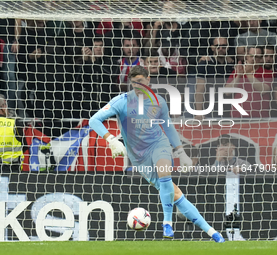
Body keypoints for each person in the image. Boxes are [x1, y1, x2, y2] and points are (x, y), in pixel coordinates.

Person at [89, 65, 225, 242]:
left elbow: (167, 126)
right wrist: (111, 139)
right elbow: (94, 120)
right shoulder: (122, 101)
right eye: (134, 83)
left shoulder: (158, 101)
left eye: (141, 81)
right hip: (139, 157)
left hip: (159, 144)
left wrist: (181, 152)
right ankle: (213, 233)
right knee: (175, 195)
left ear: (148, 80)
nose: (138, 86)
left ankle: (167, 222)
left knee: (164, 174)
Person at [212, 135, 249, 241]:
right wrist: (217, 160)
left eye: (225, 145)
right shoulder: (216, 163)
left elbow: (251, 170)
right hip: (220, 201)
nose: (223, 148)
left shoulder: (241, 162)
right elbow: (209, 177)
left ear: (233, 147)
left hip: (239, 199)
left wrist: (241, 169)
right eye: (220, 146)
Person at [225, 46, 275, 118]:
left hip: (260, 118)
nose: (253, 59)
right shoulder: (237, 71)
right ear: (246, 56)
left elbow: (264, 90)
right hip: (238, 116)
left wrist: (248, 73)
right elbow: (227, 92)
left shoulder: (268, 73)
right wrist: (239, 76)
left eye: (257, 57)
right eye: (251, 56)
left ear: (261, 59)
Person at [195, 36, 235, 119]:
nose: (221, 48)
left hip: (228, 108)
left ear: (228, 48)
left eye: (224, 46)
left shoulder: (231, 64)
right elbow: (199, 89)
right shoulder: (205, 64)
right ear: (212, 48)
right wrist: (198, 112)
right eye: (218, 46)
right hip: (209, 107)